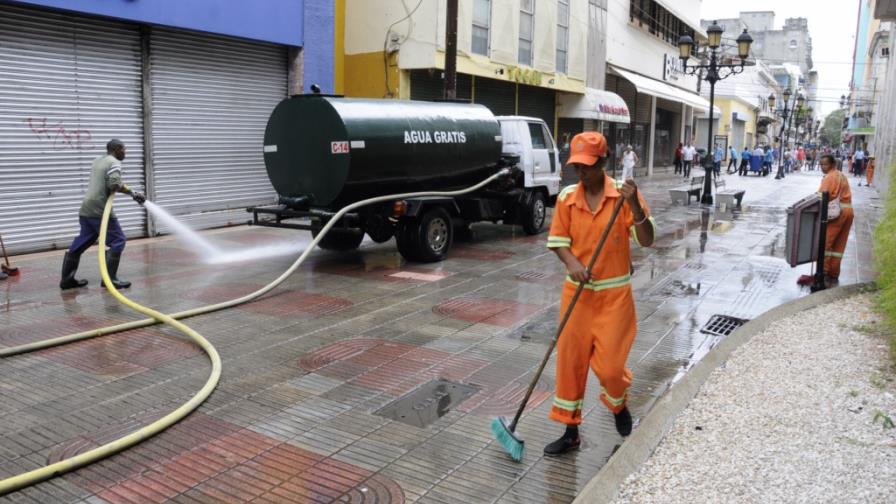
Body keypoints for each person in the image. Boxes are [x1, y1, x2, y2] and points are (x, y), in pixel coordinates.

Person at [544, 131, 655, 455]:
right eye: (577, 167)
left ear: (604, 162)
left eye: (588, 167)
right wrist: (573, 264)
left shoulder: (623, 195)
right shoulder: (566, 197)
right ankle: (570, 431)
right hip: (577, 297)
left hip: (614, 299)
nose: (582, 173)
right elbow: (558, 243)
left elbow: (646, 240)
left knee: (609, 369)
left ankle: (618, 404)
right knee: (570, 365)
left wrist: (634, 205)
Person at [60, 139, 145, 290]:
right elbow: (114, 184)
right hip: (100, 209)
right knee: (118, 240)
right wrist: (127, 190)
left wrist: (132, 193)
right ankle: (109, 280)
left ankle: (67, 280)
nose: (125, 153)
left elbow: (111, 183)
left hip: (86, 208)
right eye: (124, 149)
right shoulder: (115, 162)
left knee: (83, 241)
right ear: (117, 149)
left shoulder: (98, 160)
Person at [818, 154, 853, 285]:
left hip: (837, 214)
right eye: (821, 164)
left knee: (826, 243)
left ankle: (825, 273)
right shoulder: (841, 175)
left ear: (832, 165)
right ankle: (833, 273)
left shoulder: (830, 177)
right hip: (848, 211)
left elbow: (821, 196)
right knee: (839, 245)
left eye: (825, 164)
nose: (822, 167)